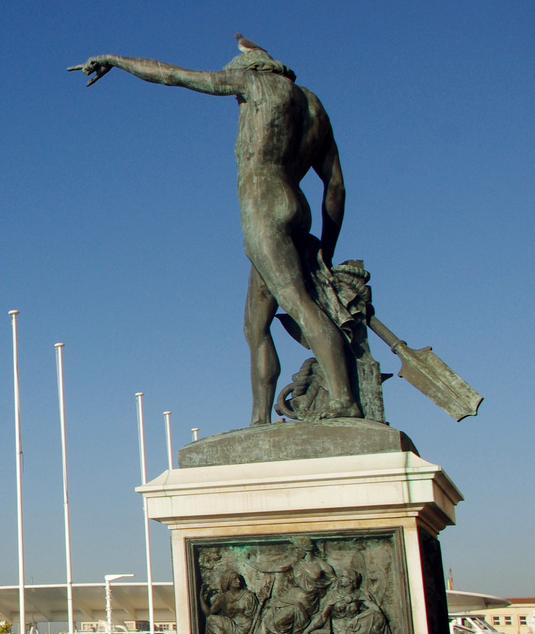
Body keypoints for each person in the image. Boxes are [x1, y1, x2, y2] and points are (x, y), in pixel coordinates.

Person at [70, 40, 360, 424]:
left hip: (263, 206)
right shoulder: (313, 106)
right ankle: (260, 419)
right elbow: (335, 187)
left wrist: (116, 60)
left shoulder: (254, 84)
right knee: (254, 325)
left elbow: (174, 75)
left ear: (251, 69)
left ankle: (344, 401)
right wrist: (326, 248)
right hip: (297, 206)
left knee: (299, 302)